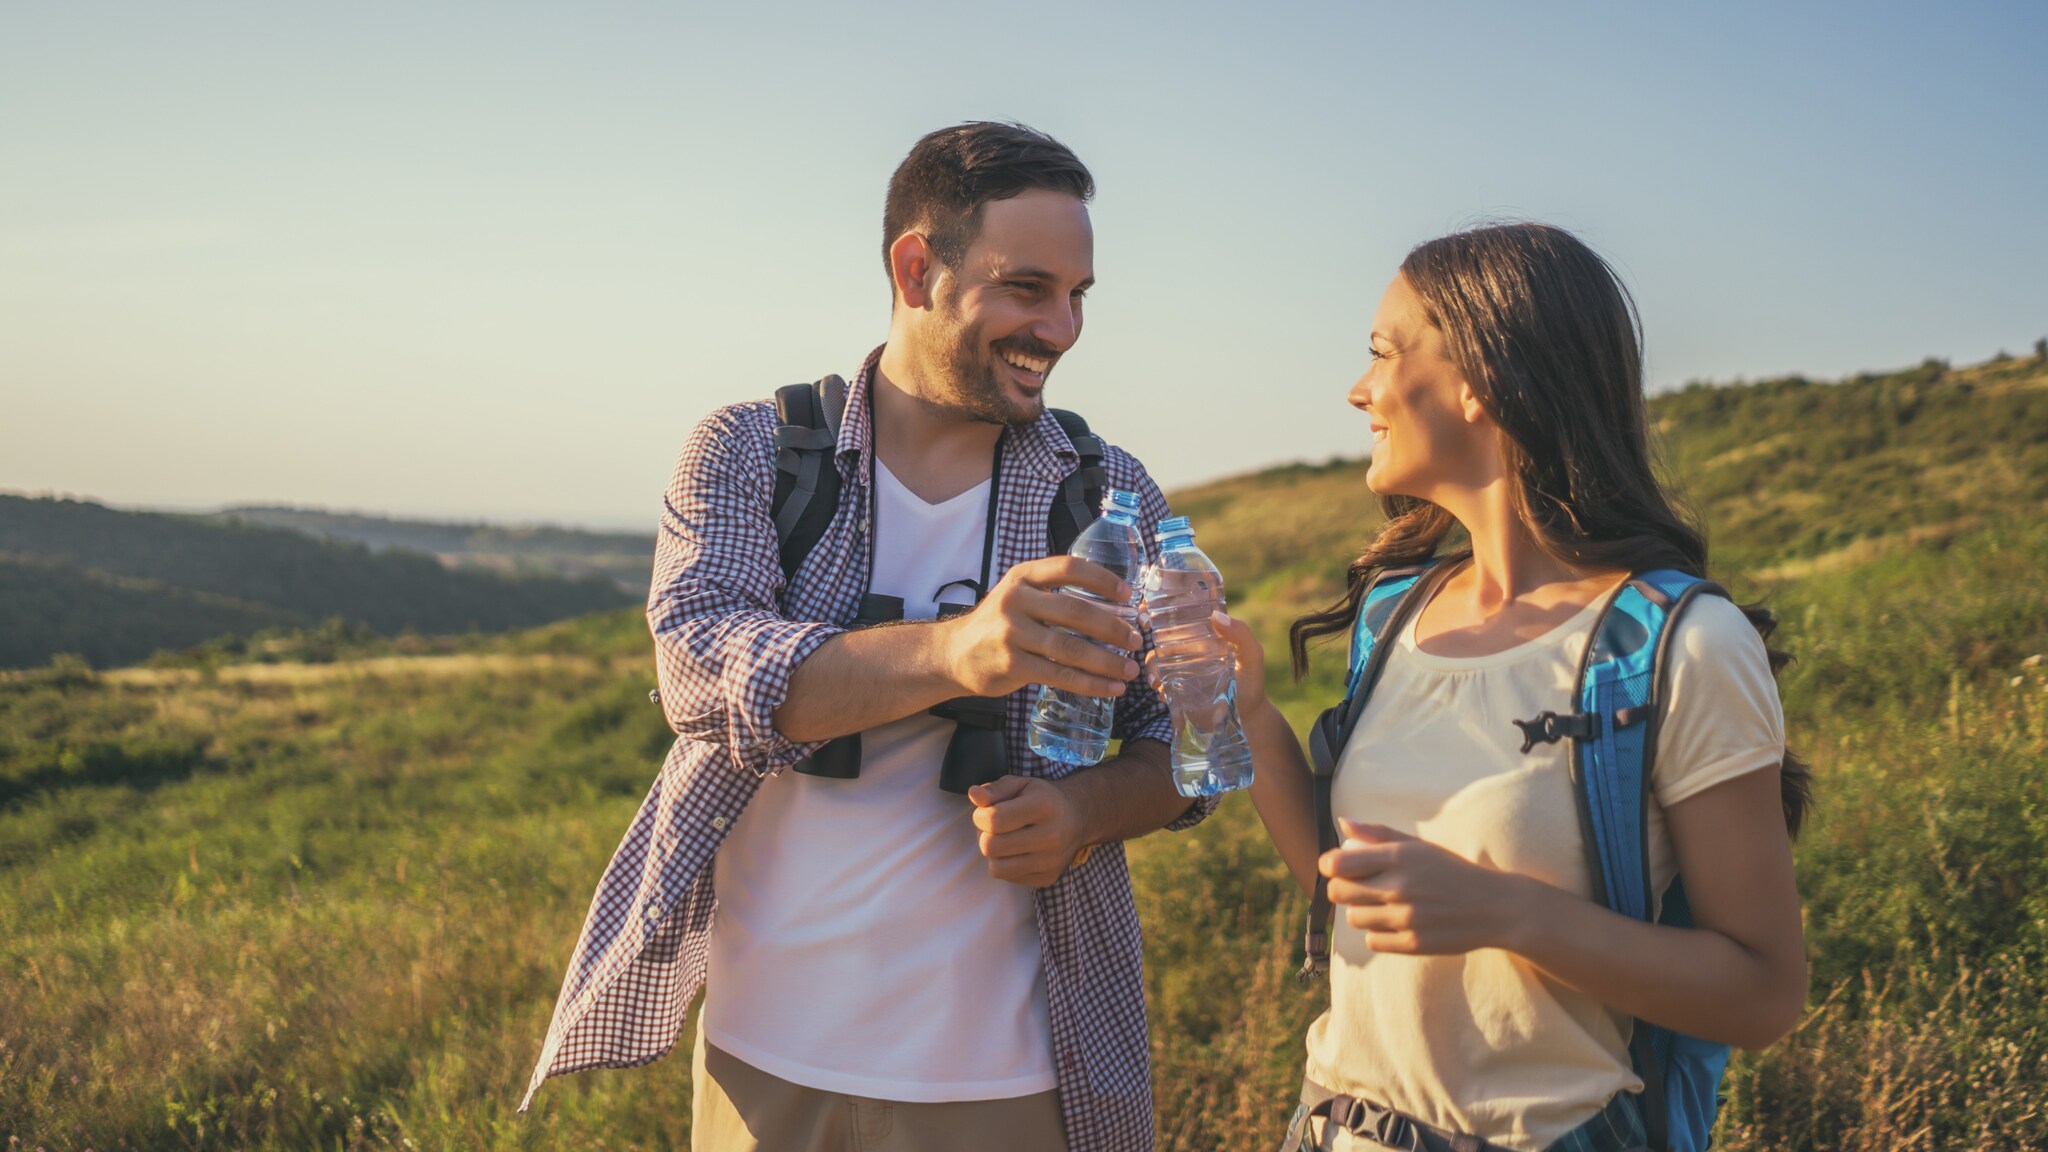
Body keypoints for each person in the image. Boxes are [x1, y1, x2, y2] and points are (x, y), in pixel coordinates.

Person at [520, 122, 1209, 1152]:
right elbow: (698, 674)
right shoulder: (754, 450)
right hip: (765, 1063)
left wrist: (1080, 810)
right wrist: (957, 651)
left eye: (1077, 295)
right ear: (914, 266)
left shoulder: (1110, 496)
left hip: (1013, 1081)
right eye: (1027, 288)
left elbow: (1193, 751)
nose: (1060, 328)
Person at [1189, 223, 1811, 1152]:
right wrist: (1245, 709)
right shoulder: (1395, 615)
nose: (1359, 389)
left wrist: (1508, 913)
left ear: (1480, 379)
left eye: (1383, 354)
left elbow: (1763, 994)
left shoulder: (1678, 645)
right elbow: (1351, 888)